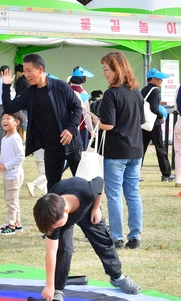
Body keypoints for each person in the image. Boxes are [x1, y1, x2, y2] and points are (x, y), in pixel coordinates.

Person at [33, 176, 141, 301]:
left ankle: (117, 277)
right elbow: (51, 252)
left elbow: (100, 182)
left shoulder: (86, 191)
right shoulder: (52, 215)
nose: (54, 229)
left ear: (66, 211)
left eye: (56, 226)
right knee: (64, 249)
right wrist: (49, 285)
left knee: (103, 241)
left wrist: (96, 207)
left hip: (87, 207)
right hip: (62, 216)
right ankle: (58, 288)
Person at [2, 54, 83, 191]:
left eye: (29, 71)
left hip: (71, 143)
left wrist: (70, 129)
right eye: (25, 71)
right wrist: (5, 86)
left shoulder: (60, 87)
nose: (26, 75)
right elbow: (9, 108)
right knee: (52, 187)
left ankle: (93, 212)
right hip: (51, 148)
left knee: (82, 183)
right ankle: (54, 212)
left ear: (39, 69)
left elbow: (77, 108)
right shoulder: (29, 93)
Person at [98, 52, 144, 250]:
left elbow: (108, 124)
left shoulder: (111, 94)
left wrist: (96, 121)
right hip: (136, 150)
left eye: (106, 69)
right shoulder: (136, 92)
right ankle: (135, 236)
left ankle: (116, 237)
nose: (104, 74)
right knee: (133, 193)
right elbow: (141, 121)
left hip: (116, 151)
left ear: (116, 70)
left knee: (115, 194)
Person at [0, 111, 26, 235]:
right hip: (8, 174)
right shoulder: (5, 138)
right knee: (11, 199)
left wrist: (5, 166)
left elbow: (20, 157)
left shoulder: (15, 138)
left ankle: (10, 225)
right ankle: (17, 223)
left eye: (8, 118)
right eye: (3, 118)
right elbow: (7, 156)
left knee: (11, 201)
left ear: (16, 123)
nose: (4, 121)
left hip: (14, 175)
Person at [141, 69, 174, 182]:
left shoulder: (144, 89)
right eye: (160, 79)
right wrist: (161, 116)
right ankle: (166, 174)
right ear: (153, 79)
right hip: (154, 124)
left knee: (141, 149)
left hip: (144, 124)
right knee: (160, 148)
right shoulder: (155, 90)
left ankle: (134, 174)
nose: (161, 81)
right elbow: (154, 108)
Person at [68, 66, 95, 151]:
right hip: (80, 127)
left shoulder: (66, 91)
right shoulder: (83, 93)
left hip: (67, 126)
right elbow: (86, 113)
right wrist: (91, 130)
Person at [14, 64, 29, 142]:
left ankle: (31, 136)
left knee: (24, 122)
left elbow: (18, 94)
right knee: (28, 122)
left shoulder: (20, 81)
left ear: (18, 72)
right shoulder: (29, 79)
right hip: (30, 104)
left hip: (23, 105)